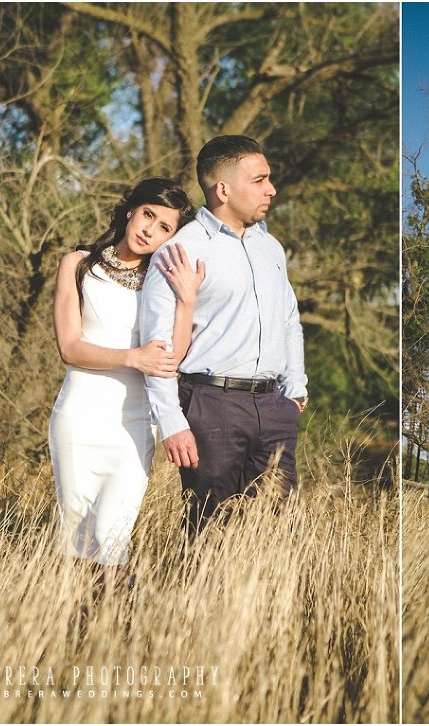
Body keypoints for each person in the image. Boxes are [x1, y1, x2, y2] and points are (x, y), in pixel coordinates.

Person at [139, 135, 308, 537]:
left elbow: (289, 319)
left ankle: (259, 600)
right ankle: (196, 600)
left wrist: (295, 387)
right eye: (260, 179)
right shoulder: (180, 251)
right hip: (211, 405)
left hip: (275, 407)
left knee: (275, 529)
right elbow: (158, 347)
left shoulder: (272, 248)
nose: (272, 189)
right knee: (208, 529)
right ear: (223, 189)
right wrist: (172, 421)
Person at [49, 178, 202, 578]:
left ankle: (113, 630)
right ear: (132, 209)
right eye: (149, 214)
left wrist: (186, 300)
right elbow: (70, 347)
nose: (150, 229)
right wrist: (133, 357)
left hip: (135, 424)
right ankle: (64, 625)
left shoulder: (162, 282)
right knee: (76, 535)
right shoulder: (78, 264)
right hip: (78, 417)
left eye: (165, 227)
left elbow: (173, 356)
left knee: (113, 536)